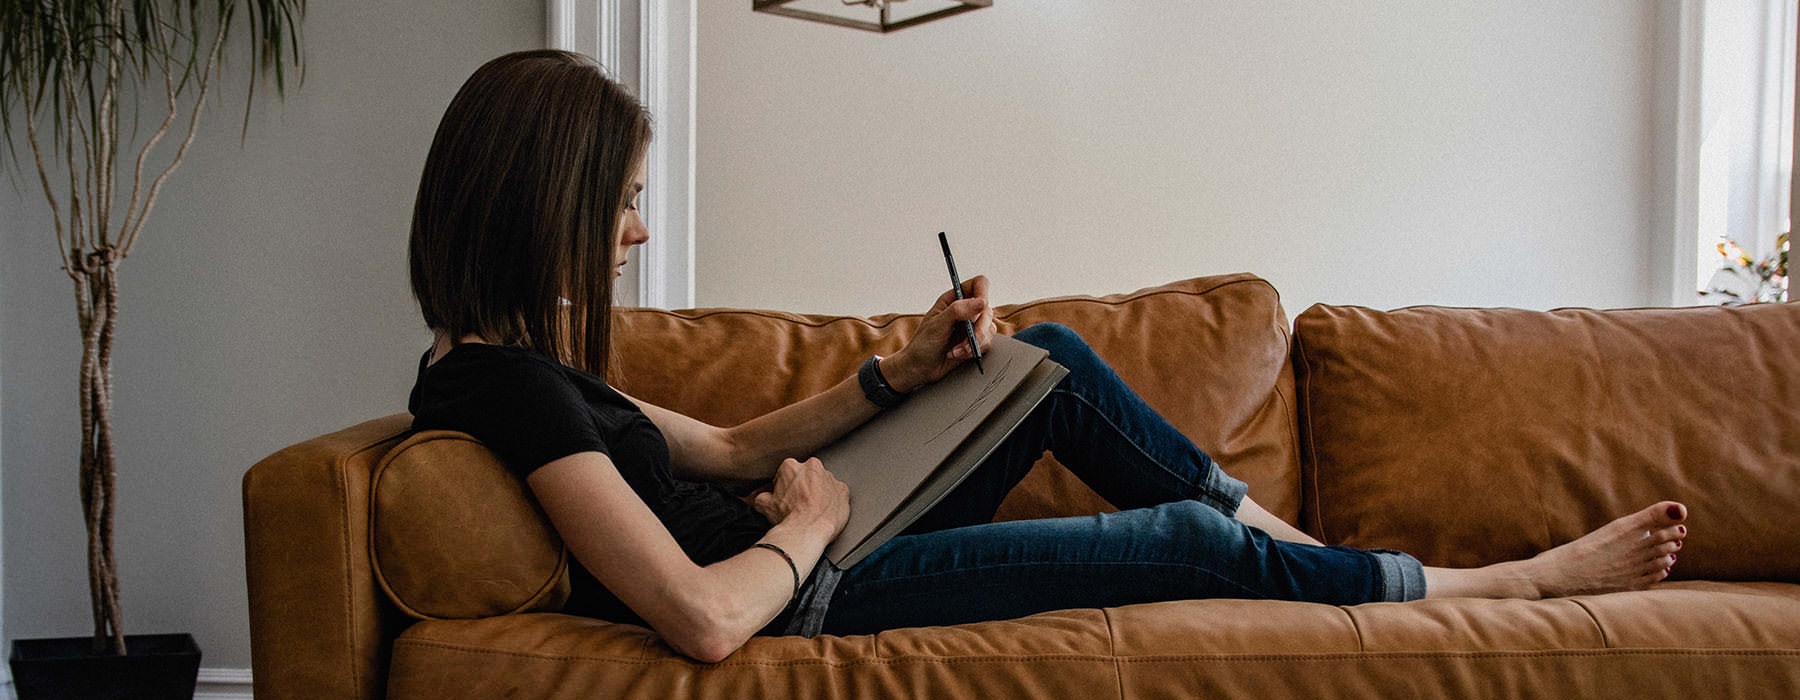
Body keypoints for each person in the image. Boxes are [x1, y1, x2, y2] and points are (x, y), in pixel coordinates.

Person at [406, 50, 1689, 664]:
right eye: (623, 199)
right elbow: (697, 616)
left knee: (1048, 360)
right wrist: (805, 528)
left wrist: (902, 374)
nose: (635, 228)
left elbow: (731, 447)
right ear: (546, 197)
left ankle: (1312, 559)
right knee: (1182, 546)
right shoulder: (497, 387)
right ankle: (1488, 586)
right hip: (804, 582)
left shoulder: (531, 365)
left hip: (811, 539)